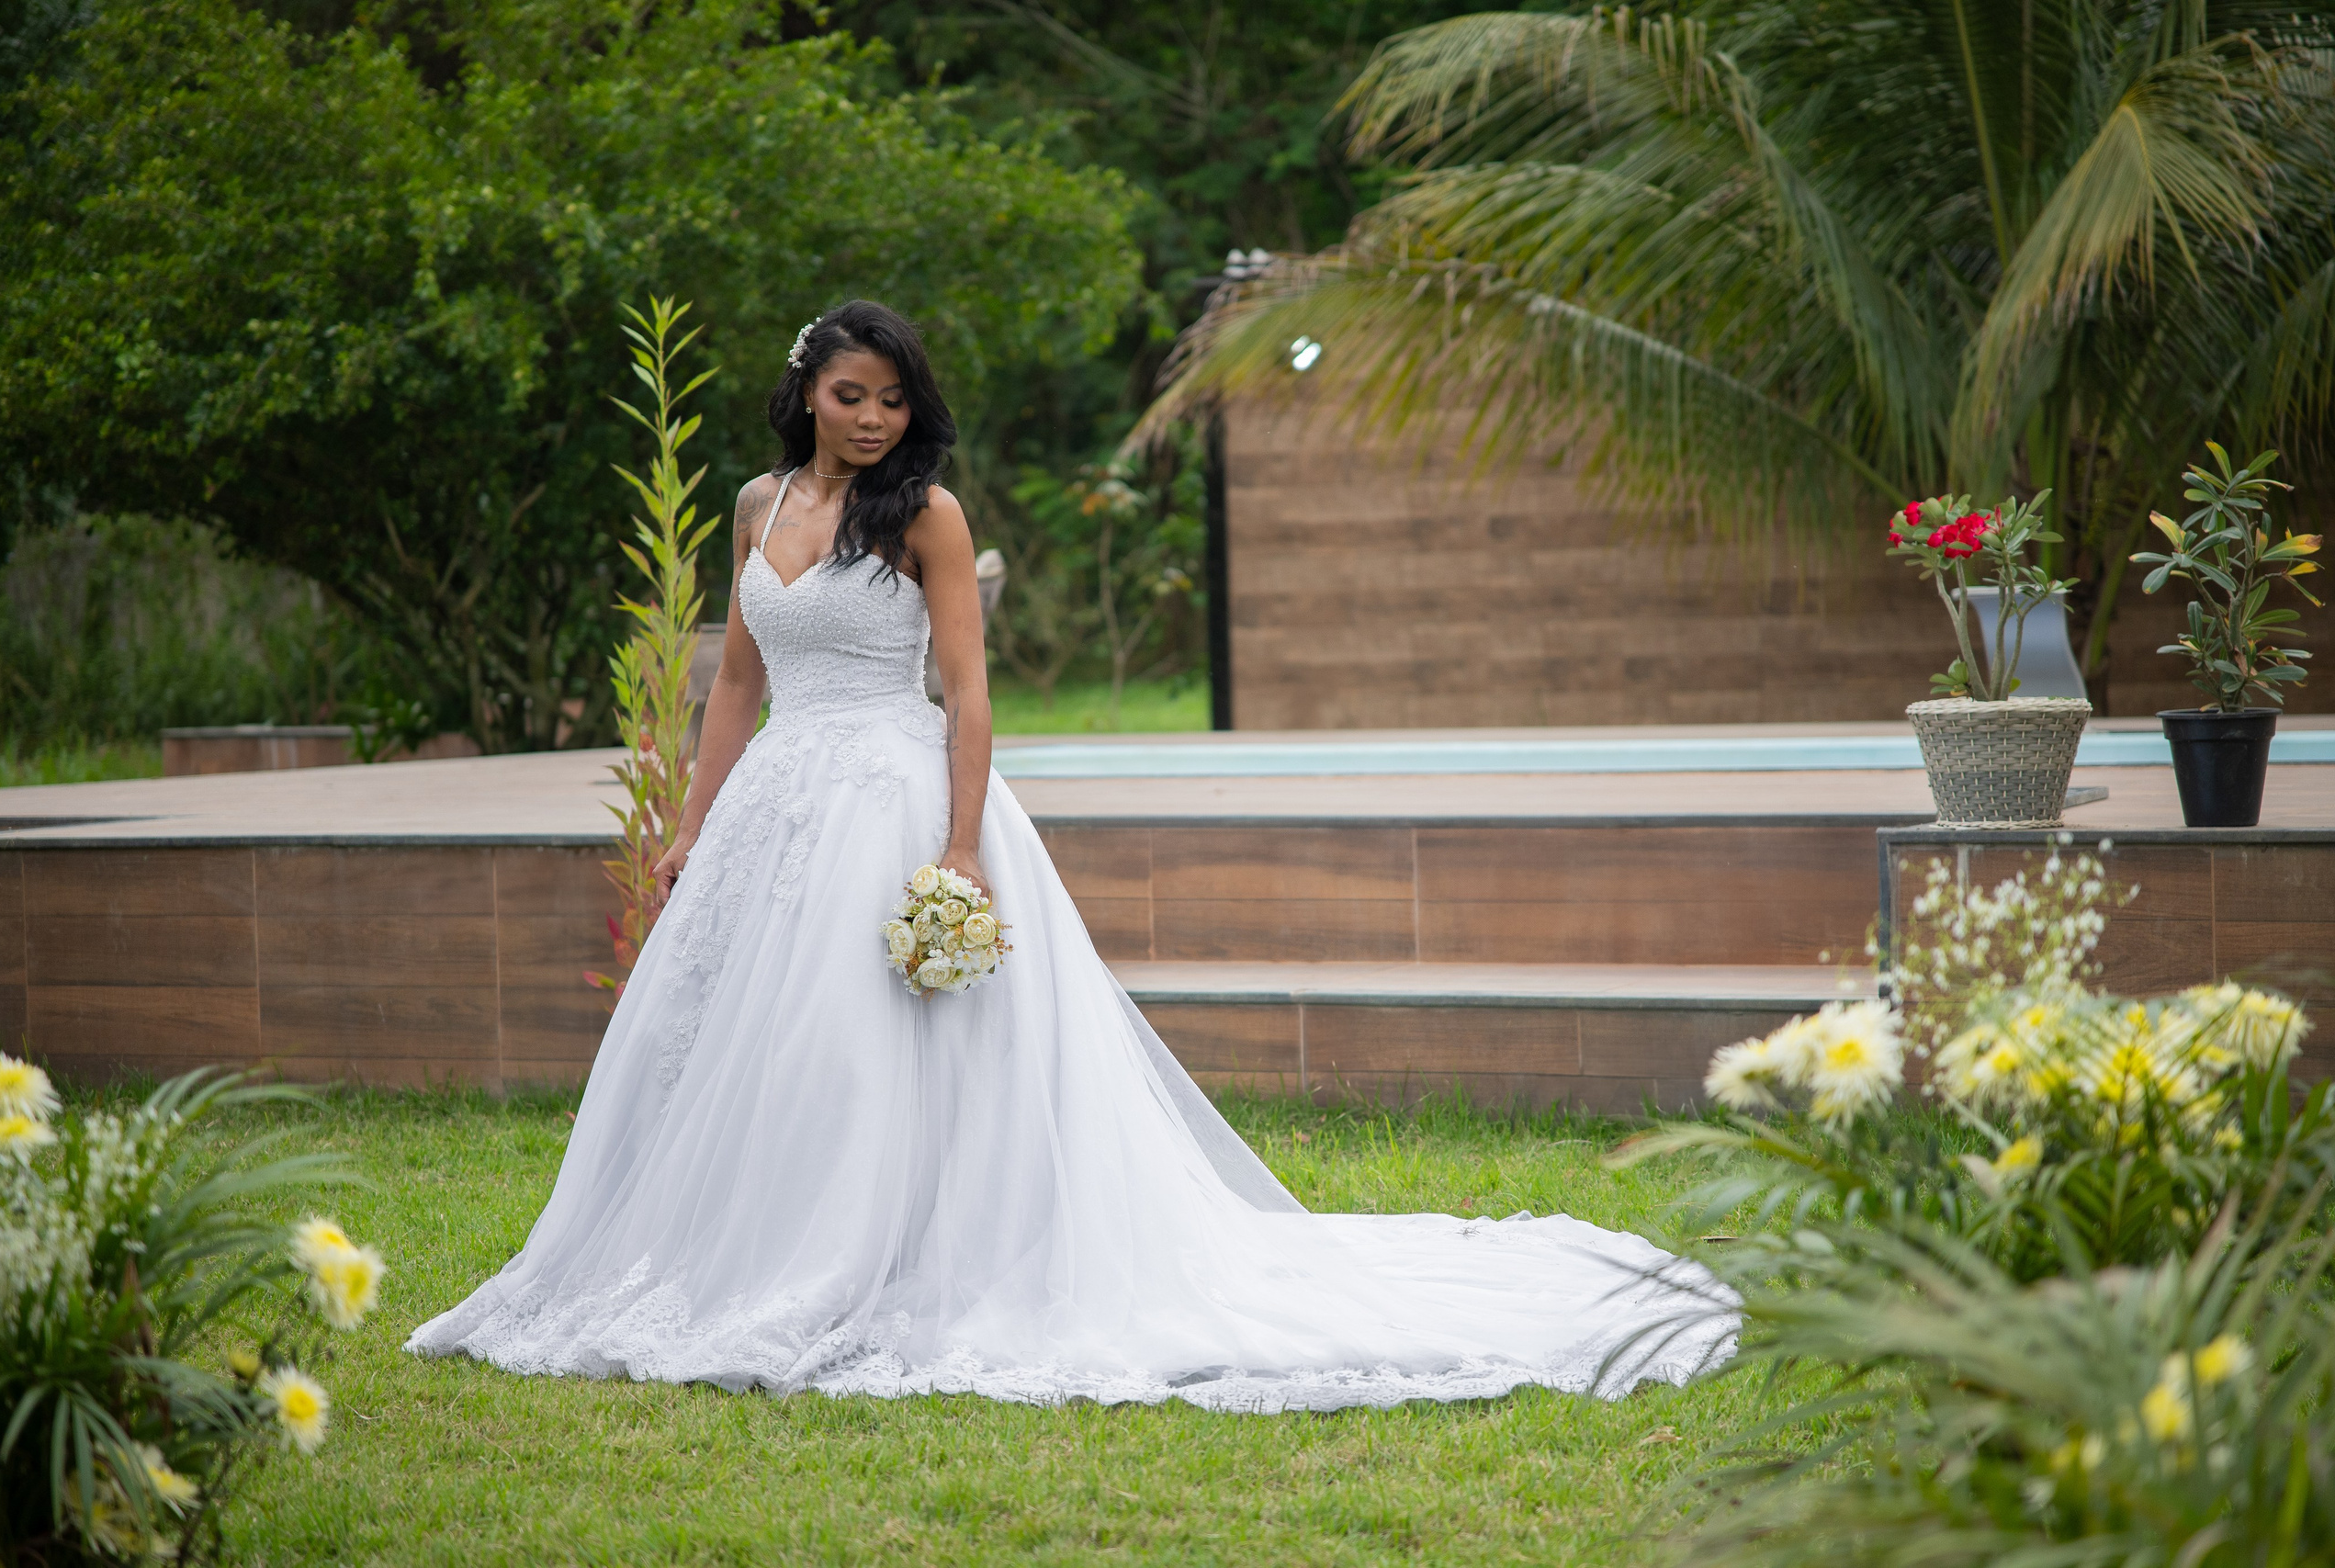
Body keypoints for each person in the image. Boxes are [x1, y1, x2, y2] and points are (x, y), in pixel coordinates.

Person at [407, 300, 1735, 1410]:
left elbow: (971, 695)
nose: (872, 419)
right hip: (775, 814)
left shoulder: (926, 512)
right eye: (850, 396)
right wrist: (696, 820)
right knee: (767, 1046)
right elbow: (739, 681)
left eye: (892, 400)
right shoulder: (756, 502)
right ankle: (744, 1254)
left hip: (897, 794)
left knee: (891, 1038)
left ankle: (909, 1255)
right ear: (806, 393)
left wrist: (961, 848)